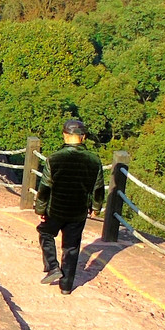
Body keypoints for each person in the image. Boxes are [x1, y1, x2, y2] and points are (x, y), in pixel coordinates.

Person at [35, 117, 105, 296]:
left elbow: (45, 187)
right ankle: (66, 286)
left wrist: (40, 209)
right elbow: (98, 188)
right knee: (72, 247)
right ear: (83, 137)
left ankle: (52, 267)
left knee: (45, 233)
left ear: (65, 135)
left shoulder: (54, 159)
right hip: (78, 210)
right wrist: (96, 207)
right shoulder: (94, 160)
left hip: (56, 208)